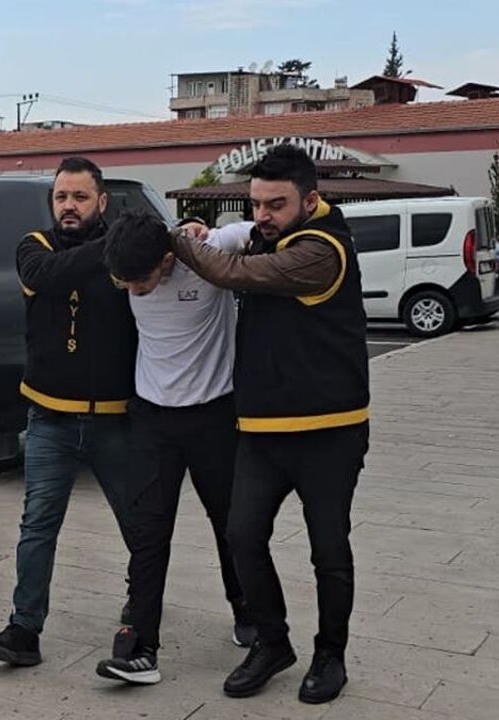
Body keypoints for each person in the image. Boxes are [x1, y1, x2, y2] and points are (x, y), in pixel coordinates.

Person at [169, 144, 369, 705]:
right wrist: (205, 231)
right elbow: (234, 243)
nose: (262, 215)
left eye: (276, 205)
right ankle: (272, 642)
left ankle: (330, 655)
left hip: (329, 429)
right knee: (241, 536)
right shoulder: (269, 235)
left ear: (311, 199)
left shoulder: (322, 250)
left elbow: (232, 272)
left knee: (328, 549)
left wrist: (176, 240)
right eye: (256, 204)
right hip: (262, 429)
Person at [0, 156, 138, 668]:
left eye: (80, 197)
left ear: (102, 202)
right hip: (49, 419)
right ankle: (24, 630)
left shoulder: (126, 253)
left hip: (116, 419)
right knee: (38, 526)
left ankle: (142, 613)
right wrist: (114, 247)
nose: (69, 206)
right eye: (61, 197)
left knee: (140, 525)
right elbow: (47, 276)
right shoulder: (35, 246)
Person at [93, 210, 255, 686]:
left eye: (140, 282)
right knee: (148, 532)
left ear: (167, 260)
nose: (132, 290)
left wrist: (203, 229)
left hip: (213, 416)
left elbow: (257, 232)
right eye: (123, 283)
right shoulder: (128, 265)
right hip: (152, 419)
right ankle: (139, 648)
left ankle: (246, 609)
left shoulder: (208, 253)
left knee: (230, 523)